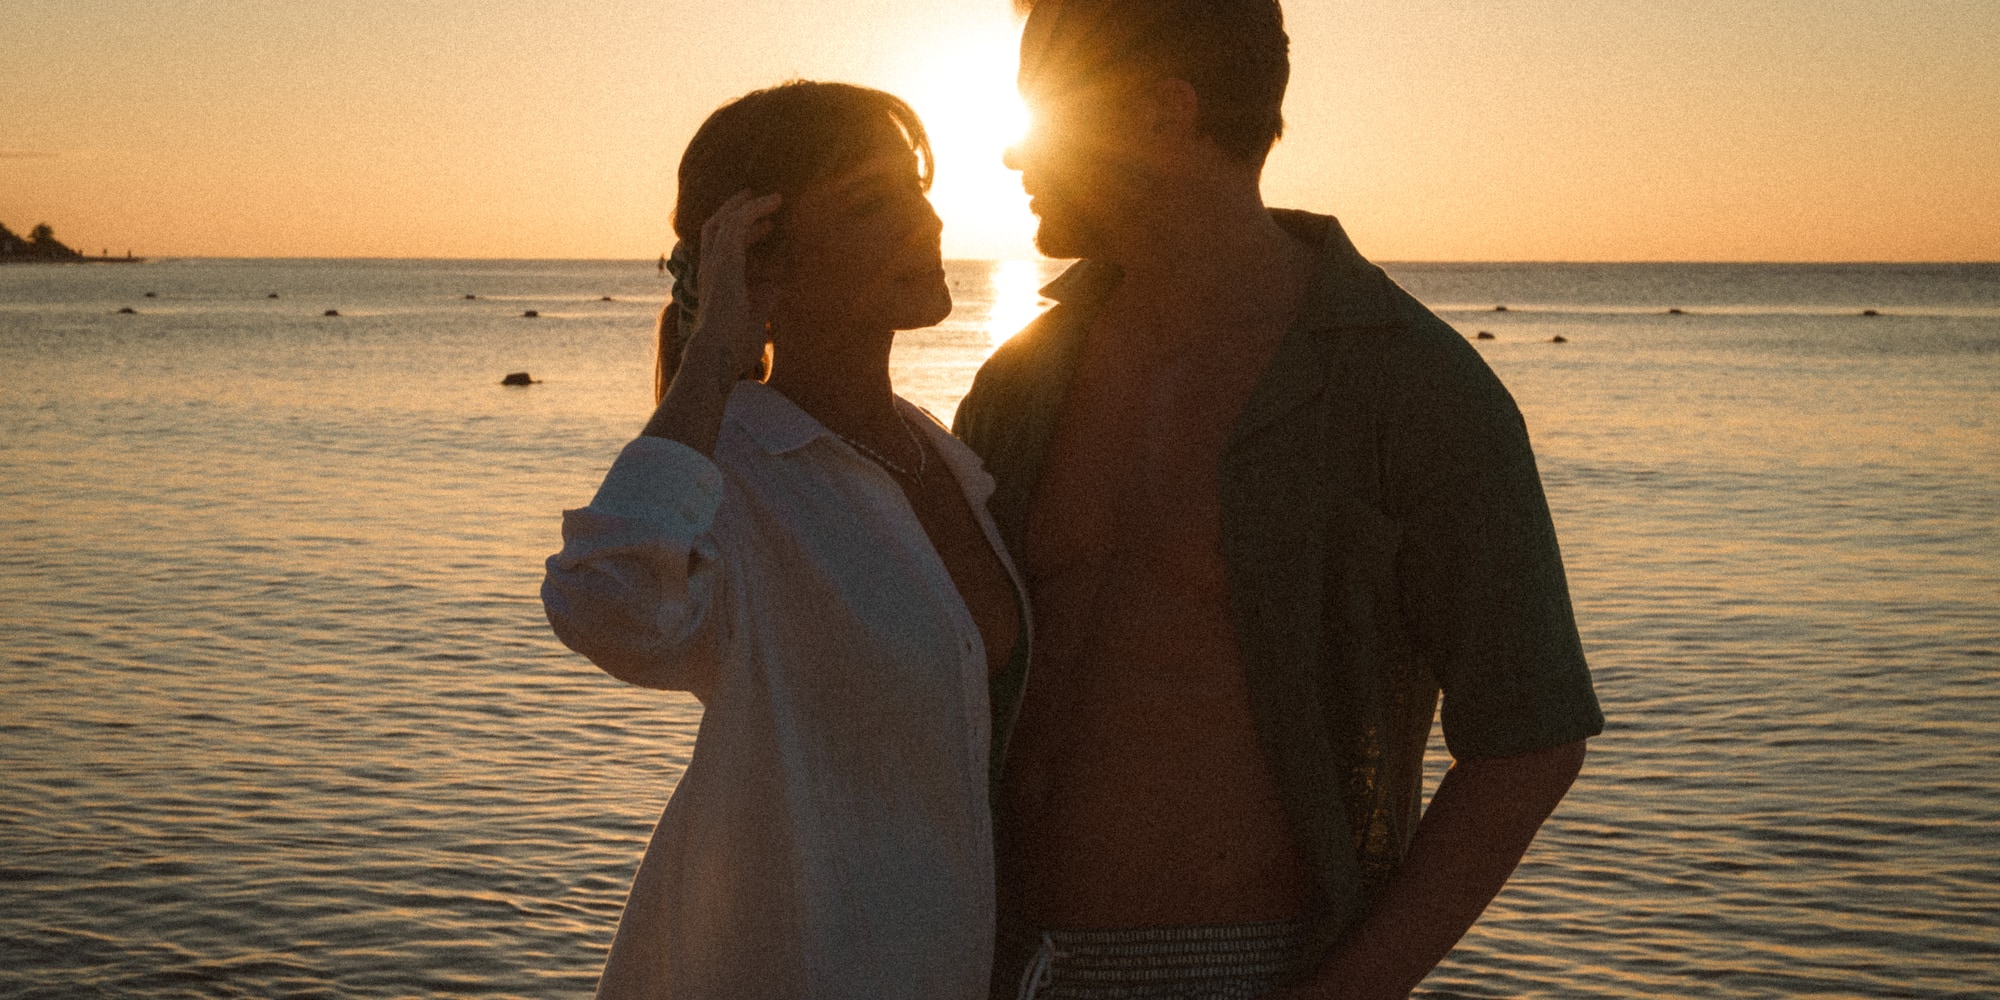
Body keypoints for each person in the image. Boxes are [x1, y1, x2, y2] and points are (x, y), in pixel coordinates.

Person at [952, 1, 1605, 997]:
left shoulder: (1406, 386)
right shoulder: (1021, 381)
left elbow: (1530, 737)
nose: (1011, 153)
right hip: (990, 961)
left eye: (1043, 115)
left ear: (1161, 113)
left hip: (1245, 972)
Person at [542, 81, 1025, 1000]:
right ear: (761, 260)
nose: (925, 221)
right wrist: (714, 353)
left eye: (917, 188)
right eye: (872, 203)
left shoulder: (942, 457)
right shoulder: (732, 473)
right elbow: (608, 605)